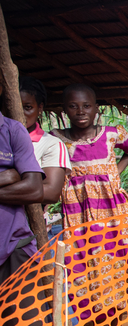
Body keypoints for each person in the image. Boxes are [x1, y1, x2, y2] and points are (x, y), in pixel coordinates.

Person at [51, 83, 128, 228]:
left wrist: (116, 171)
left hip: (111, 205)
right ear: (64, 109)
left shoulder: (112, 134)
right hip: (76, 207)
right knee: (81, 244)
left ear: (96, 108)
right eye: (73, 106)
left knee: (116, 243)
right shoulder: (56, 138)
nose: (80, 111)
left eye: (86, 106)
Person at [0, 81, 43, 285]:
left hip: (13, 248)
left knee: (22, 317)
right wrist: (7, 177)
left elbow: (34, 189)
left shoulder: (12, 130)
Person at [19, 77, 70, 226]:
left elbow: (51, 193)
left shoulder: (50, 144)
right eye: (11, 106)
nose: (19, 113)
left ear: (40, 108)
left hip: (26, 226)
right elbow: (36, 189)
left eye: (27, 107)